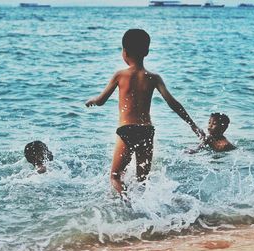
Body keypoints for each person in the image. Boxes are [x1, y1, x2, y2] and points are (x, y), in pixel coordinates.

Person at [85, 29, 204, 197]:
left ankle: (128, 205)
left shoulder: (120, 75)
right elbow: (173, 104)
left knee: (115, 177)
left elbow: (101, 100)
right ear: (146, 52)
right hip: (147, 131)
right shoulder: (154, 77)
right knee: (142, 179)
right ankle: (146, 211)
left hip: (127, 130)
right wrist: (193, 126)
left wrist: (93, 100)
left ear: (124, 52)